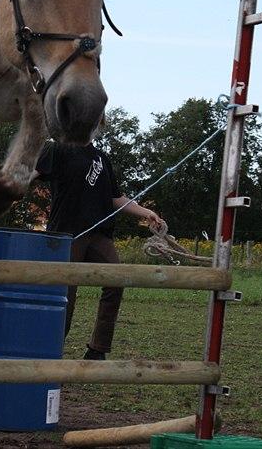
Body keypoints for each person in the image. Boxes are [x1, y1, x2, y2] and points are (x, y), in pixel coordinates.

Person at [36, 139, 165, 361]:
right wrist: (1, 175)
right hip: (68, 234)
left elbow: (116, 198)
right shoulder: (58, 148)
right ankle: (50, 353)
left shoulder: (101, 158)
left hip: (99, 234)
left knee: (116, 280)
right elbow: (32, 173)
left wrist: (146, 212)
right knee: (65, 295)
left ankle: (98, 349)